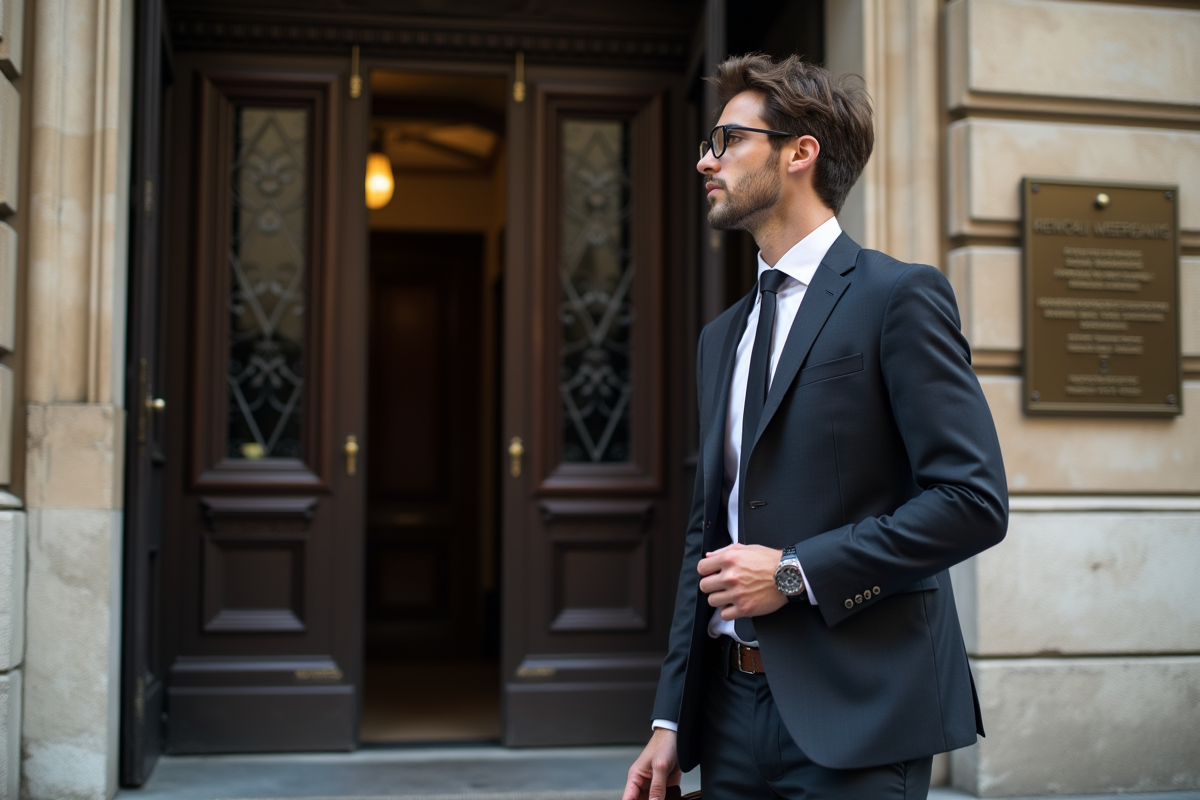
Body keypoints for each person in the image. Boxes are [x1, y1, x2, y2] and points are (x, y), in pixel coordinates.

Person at [622, 54, 1008, 800]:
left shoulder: (900, 298)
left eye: (728, 138)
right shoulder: (722, 337)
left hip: (863, 714)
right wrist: (671, 718)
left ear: (800, 153)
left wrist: (795, 574)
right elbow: (711, 533)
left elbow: (972, 501)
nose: (707, 159)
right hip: (730, 716)